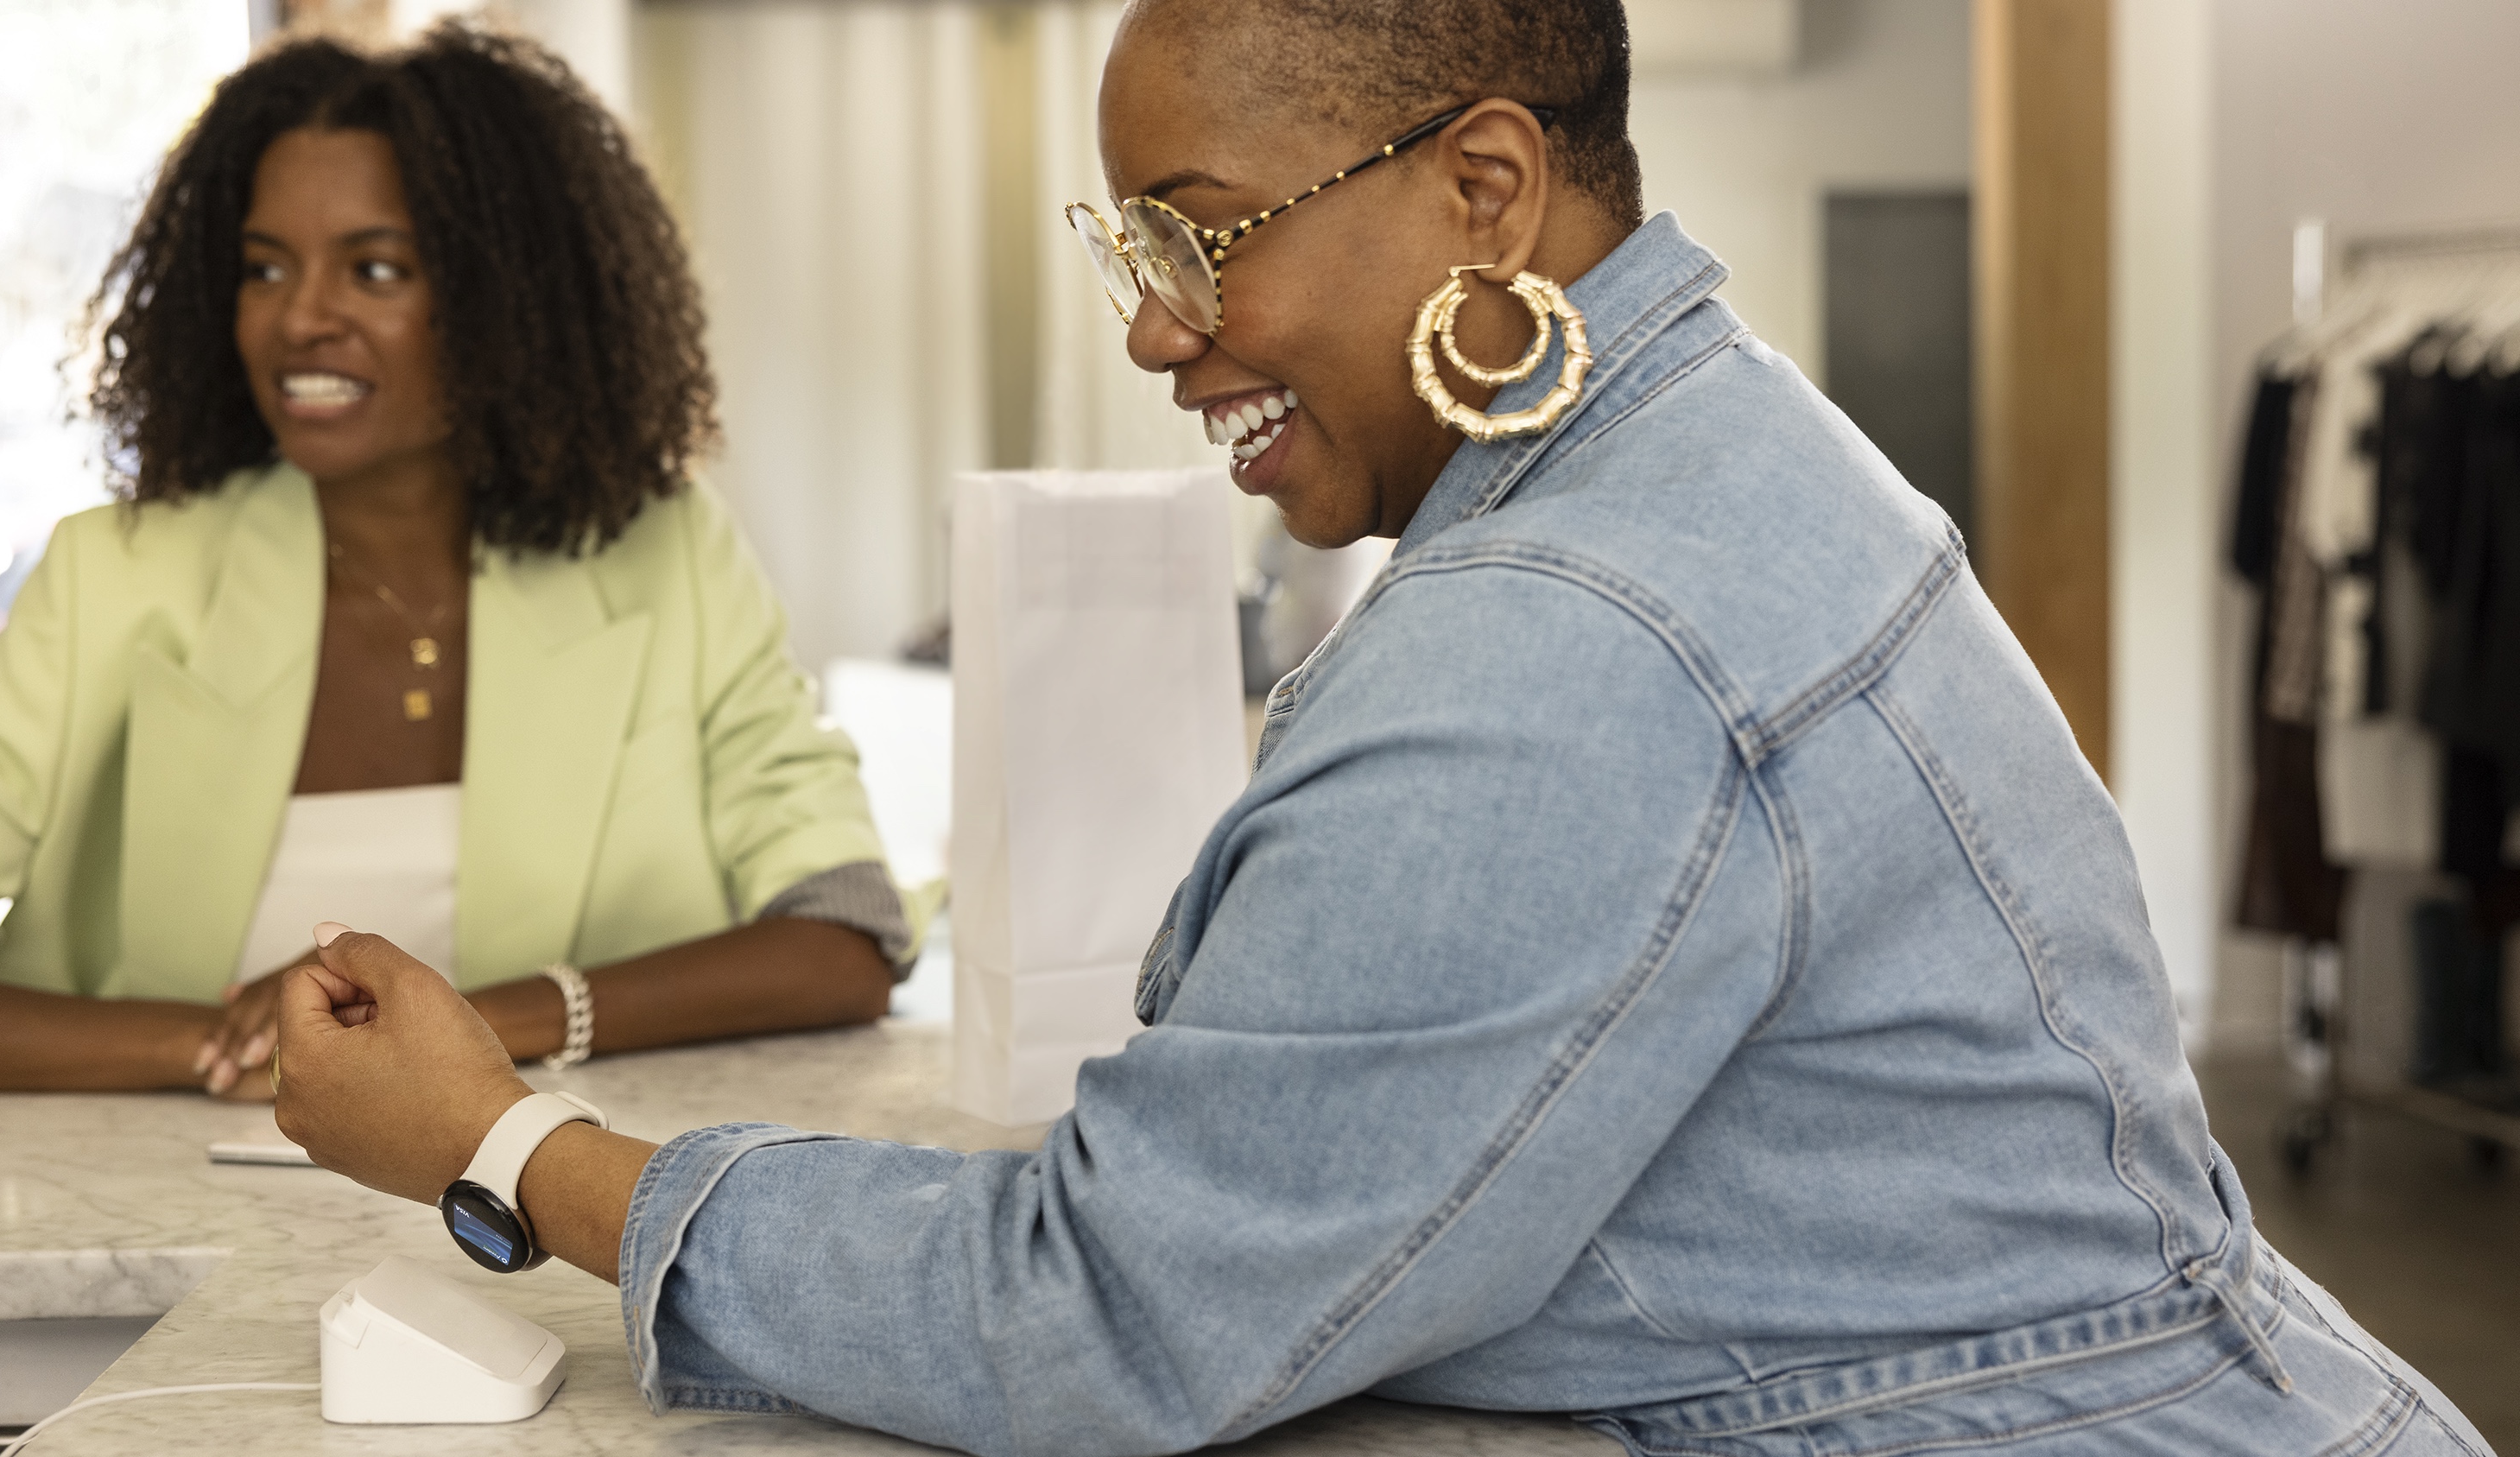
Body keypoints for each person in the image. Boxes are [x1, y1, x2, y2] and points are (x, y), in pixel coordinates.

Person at [272, 2, 2494, 1454]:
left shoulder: (1567, 628)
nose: (1153, 328)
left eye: (1196, 235)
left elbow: (1114, 1315)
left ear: (1485, 192)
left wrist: (504, 1149)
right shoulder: (1691, 441)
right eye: (1122, 242)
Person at [0, 25, 913, 1097]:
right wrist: (210, 1045)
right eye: (264, 268)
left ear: (511, 299)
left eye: (377, 267)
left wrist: (466, 1027)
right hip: (166, 1225)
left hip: (553, 1215)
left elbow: (846, 935)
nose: (302, 316)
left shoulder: (666, 555)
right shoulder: (111, 576)